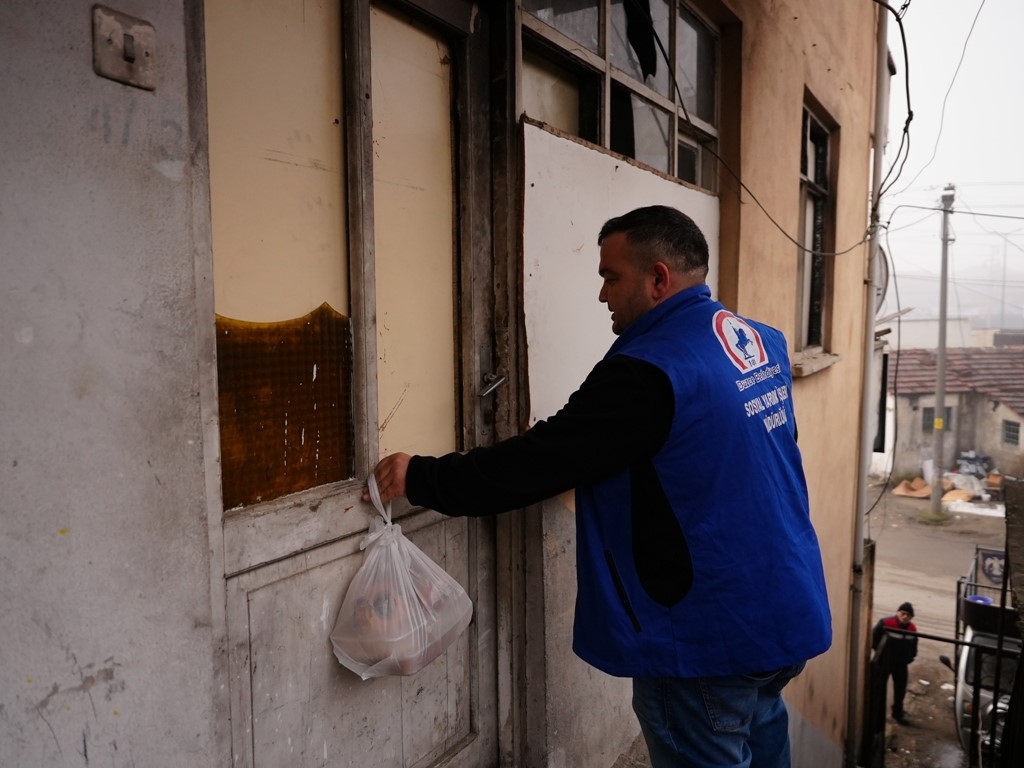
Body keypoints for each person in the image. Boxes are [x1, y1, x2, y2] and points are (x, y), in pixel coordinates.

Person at [365, 205, 832, 768]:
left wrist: (419, 475)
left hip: (706, 639)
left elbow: (536, 464)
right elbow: (708, 448)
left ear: (658, 279)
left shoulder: (649, 370)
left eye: (611, 277)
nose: (603, 295)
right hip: (783, 611)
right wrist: (587, 440)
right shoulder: (760, 342)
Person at [872, 602, 918, 725]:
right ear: (897, 613)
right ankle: (876, 716)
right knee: (879, 688)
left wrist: (909, 657)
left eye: (908, 615)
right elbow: (874, 638)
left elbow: (914, 647)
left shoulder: (912, 629)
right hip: (884, 662)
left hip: (901, 664)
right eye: (903, 613)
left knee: (900, 690)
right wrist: (880, 653)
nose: (905, 617)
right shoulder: (886, 623)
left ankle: (898, 713)